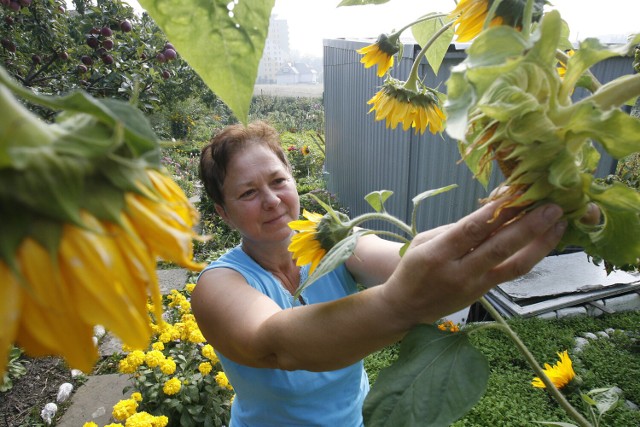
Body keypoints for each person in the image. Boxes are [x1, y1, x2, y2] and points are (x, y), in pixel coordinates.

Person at [192, 121, 573, 426]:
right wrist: (400, 305)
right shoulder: (218, 284)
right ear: (223, 212)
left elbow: (406, 257)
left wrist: (516, 210)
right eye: (247, 193)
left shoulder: (331, 237)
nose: (272, 201)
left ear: (293, 179)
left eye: (278, 181)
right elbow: (277, 344)